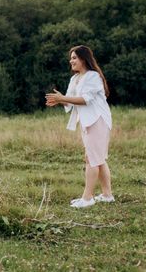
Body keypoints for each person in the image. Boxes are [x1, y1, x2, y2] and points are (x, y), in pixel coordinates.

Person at [45, 45, 114, 208]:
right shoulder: (75, 79)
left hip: (97, 120)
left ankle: (87, 198)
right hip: (86, 121)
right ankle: (107, 195)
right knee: (97, 158)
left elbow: (85, 99)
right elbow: (70, 100)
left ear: (84, 59)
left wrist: (62, 98)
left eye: (74, 58)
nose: (71, 61)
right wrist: (59, 100)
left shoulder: (93, 76)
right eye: (71, 58)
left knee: (92, 158)